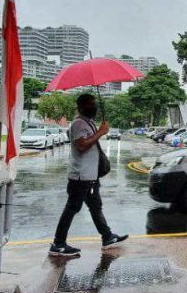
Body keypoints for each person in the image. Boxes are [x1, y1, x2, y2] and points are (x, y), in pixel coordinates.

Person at [50, 93, 128, 257]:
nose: (94, 107)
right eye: (90, 105)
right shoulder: (79, 124)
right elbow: (81, 146)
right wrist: (100, 132)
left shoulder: (88, 123)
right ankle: (58, 243)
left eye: (94, 104)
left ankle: (107, 237)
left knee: (95, 206)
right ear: (81, 107)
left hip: (90, 176)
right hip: (80, 177)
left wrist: (99, 130)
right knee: (72, 208)